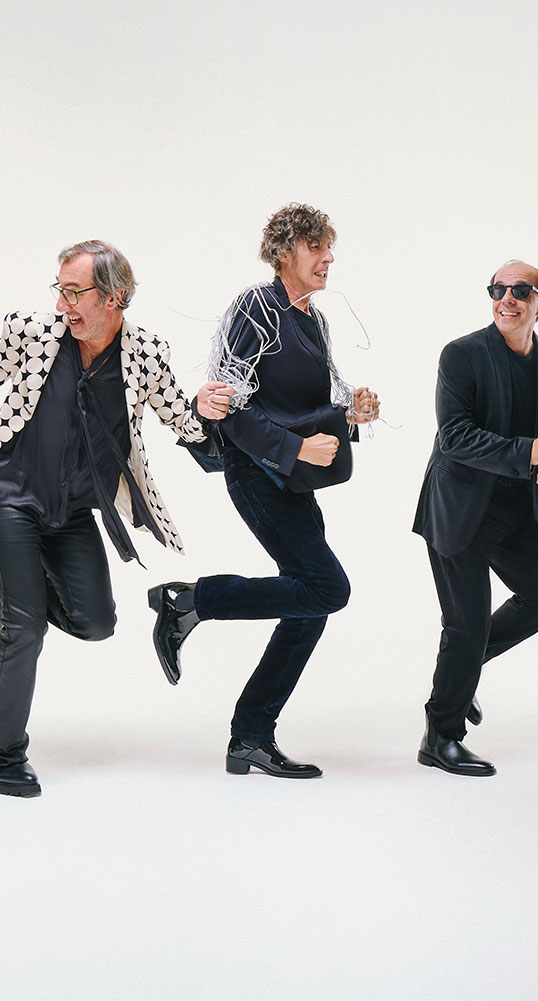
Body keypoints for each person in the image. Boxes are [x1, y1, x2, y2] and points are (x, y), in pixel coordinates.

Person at [0, 240, 233, 798]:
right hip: (9, 494)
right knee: (26, 627)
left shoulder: (144, 353)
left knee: (97, 621)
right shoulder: (33, 334)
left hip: (73, 509)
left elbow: (181, 419)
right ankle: (3, 753)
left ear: (114, 297)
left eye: (74, 292)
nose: (63, 304)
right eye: (59, 290)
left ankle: (9, 585)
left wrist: (204, 412)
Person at [146, 203, 380, 779]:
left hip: (290, 478)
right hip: (257, 472)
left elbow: (301, 403)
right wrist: (295, 449)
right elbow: (230, 406)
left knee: (310, 602)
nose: (329, 257)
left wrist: (351, 410)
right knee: (327, 588)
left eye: (329, 247)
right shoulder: (257, 307)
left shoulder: (312, 319)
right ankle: (191, 601)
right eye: (316, 247)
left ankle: (250, 737)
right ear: (284, 252)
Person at [410, 261, 538, 776]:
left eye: (520, 291)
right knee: (466, 626)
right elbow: (454, 437)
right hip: (459, 509)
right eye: (498, 289)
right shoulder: (461, 354)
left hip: (516, 511)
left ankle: (465, 671)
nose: (507, 298)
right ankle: (440, 737)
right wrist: (530, 453)